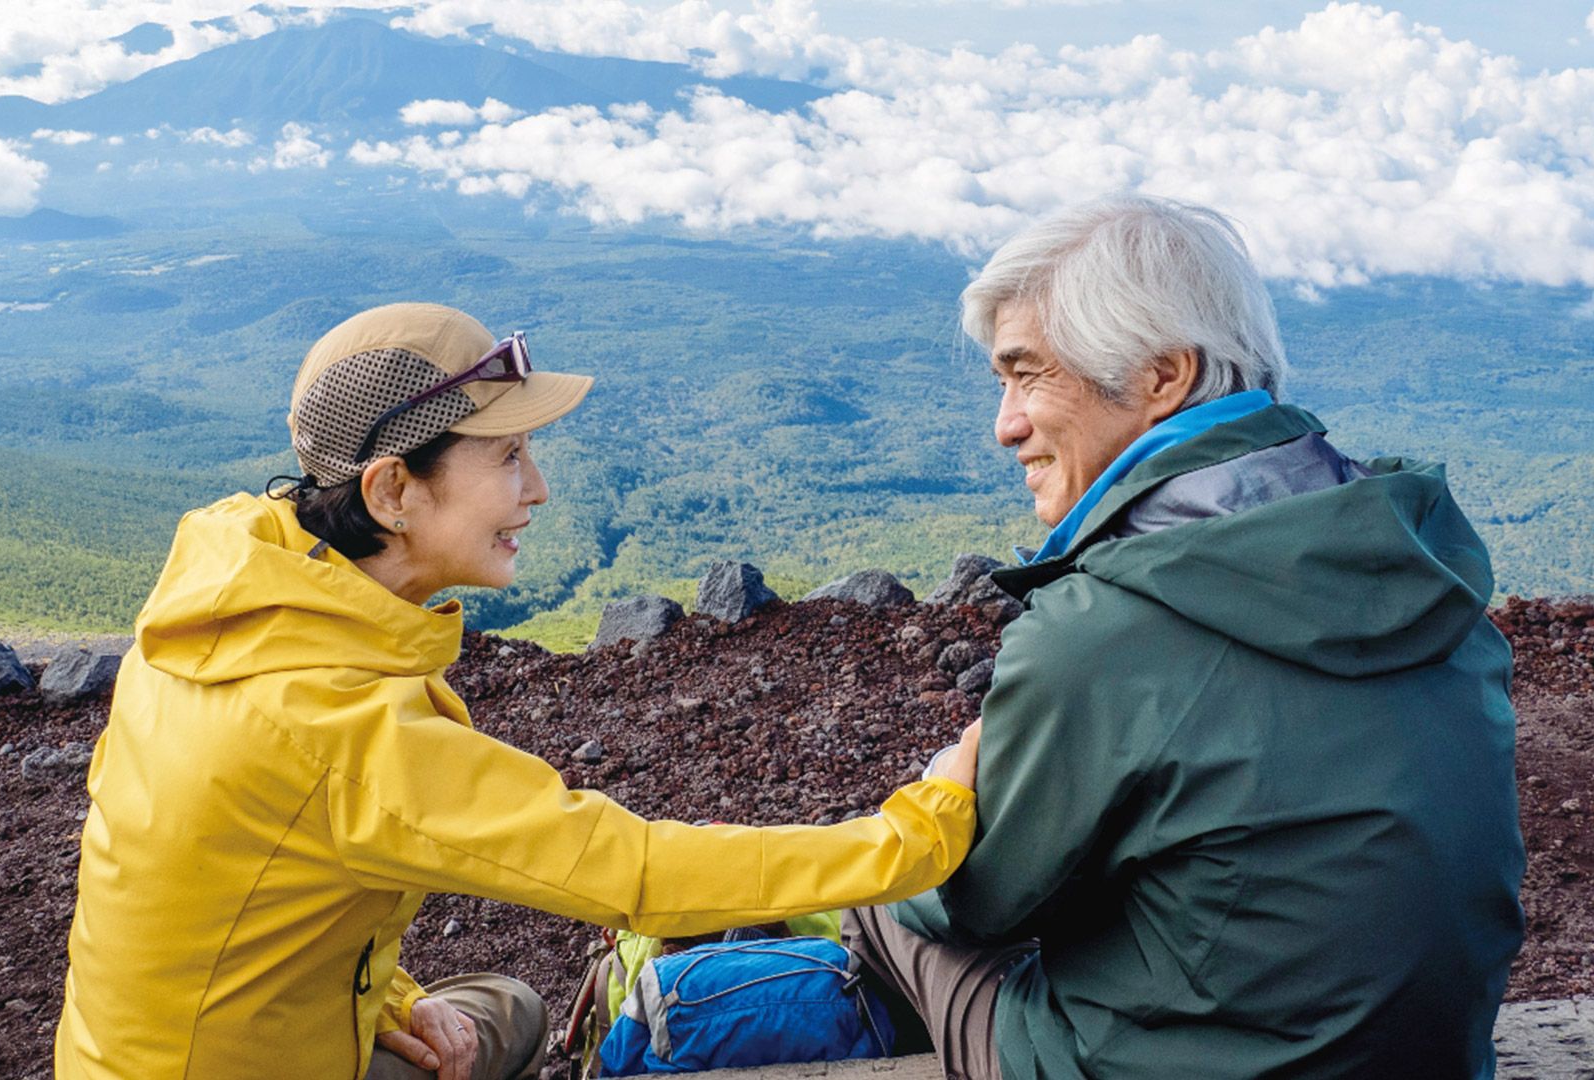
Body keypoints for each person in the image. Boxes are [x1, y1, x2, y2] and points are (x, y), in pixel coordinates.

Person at [53, 302, 983, 1080]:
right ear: (390, 492)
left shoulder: (231, 588)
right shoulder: (326, 721)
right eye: (505, 458)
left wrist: (395, 997)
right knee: (510, 1018)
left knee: (507, 1012)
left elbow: (222, 881)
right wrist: (924, 830)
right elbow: (640, 874)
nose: (535, 488)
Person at [842, 196, 1525, 1079]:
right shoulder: (1415, 563)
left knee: (883, 901)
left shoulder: (1100, 635)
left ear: (1164, 375)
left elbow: (975, 903)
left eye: (1027, 375)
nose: (1004, 423)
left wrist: (941, 793)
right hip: (1434, 1060)